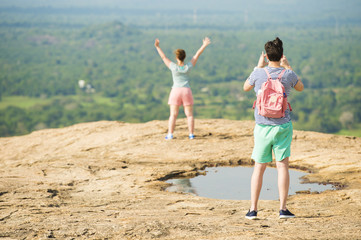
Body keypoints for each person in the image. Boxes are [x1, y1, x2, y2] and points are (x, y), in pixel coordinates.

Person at [243, 37, 304, 219]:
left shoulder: (259, 73)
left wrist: (257, 66)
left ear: (266, 55)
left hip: (262, 126)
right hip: (283, 126)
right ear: (281, 55)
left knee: (259, 167)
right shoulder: (288, 74)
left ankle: (253, 210)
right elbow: (300, 87)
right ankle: (283, 209)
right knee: (282, 166)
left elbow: (246, 87)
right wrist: (288, 66)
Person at [154, 37, 211, 140]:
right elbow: (197, 54)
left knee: (173, 115)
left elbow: (163, 57)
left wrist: (157, 46)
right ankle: (191, 134)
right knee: (189, 115)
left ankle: (170, 134)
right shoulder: (188, 67)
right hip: (186, 90)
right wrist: (204, 44)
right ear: (184, 57)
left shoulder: (173, 67)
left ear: (177, 57)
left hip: (175, 90)